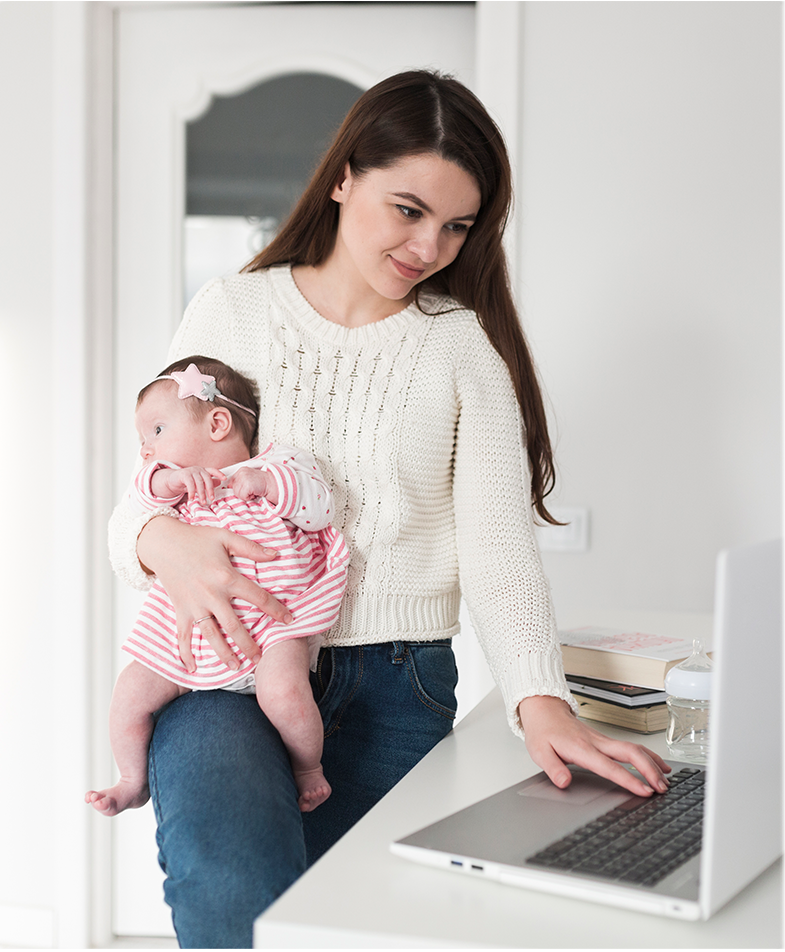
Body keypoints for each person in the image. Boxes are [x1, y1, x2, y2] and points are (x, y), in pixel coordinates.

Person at [108, 70, 670, 948]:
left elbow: (496, 550)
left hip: (395, 685)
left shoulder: (460, 350)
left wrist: (540, 699)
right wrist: (157, 542)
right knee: (232, 893)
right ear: (343, 177)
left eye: (456, 225)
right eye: (407, 209)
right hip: (224, 668)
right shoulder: (234, 310)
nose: (428, 245)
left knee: (352, 929)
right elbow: (143, 490)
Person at [89, 356, 349, 817]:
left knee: (287, 694)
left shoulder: (281, 462)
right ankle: (131, 780)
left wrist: (266, 483)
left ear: (218, 423)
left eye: (157, 432)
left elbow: (320, 509)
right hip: (191, 633)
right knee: (129, 693)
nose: (146, 449)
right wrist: (171, 477)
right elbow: (139, 497)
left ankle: (308, 768)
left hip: (272, 630)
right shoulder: (175, 488)